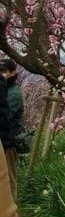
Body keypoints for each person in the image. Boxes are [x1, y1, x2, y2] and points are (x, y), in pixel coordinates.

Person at [0, 63, 29, 205]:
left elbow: (6, 115)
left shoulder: (13, 93)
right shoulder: (5, 90)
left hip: (8, 140)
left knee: (9, 177)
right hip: (4, 138)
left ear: (13, 72)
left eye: (4, 71)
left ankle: (12, 209)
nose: (2, 74)